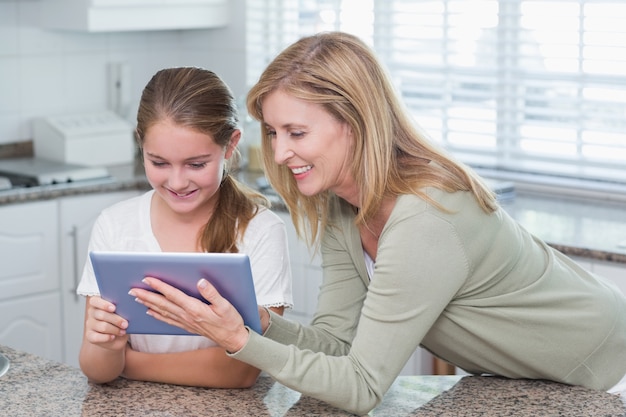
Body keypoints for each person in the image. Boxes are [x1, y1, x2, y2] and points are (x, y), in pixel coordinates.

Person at [129, 33, 626, 415]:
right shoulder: (343, 206)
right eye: (274, 132)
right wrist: (252, 320)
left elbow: (362, 388)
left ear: (356, 122)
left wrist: (239, 342)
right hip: (541, 382)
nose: (280, 153)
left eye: (297, 132)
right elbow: (339, 347)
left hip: (611, 372)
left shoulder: (425, 213)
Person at [77, 67, 293, 388]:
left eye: (196, 164)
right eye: (159, 162)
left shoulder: (260, 231)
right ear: (141, 144)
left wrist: (128, 363)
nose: (177, 182)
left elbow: (241, 371)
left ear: (230, 145)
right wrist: (106, 348)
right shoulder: (115, 225)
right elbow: (97, 368)